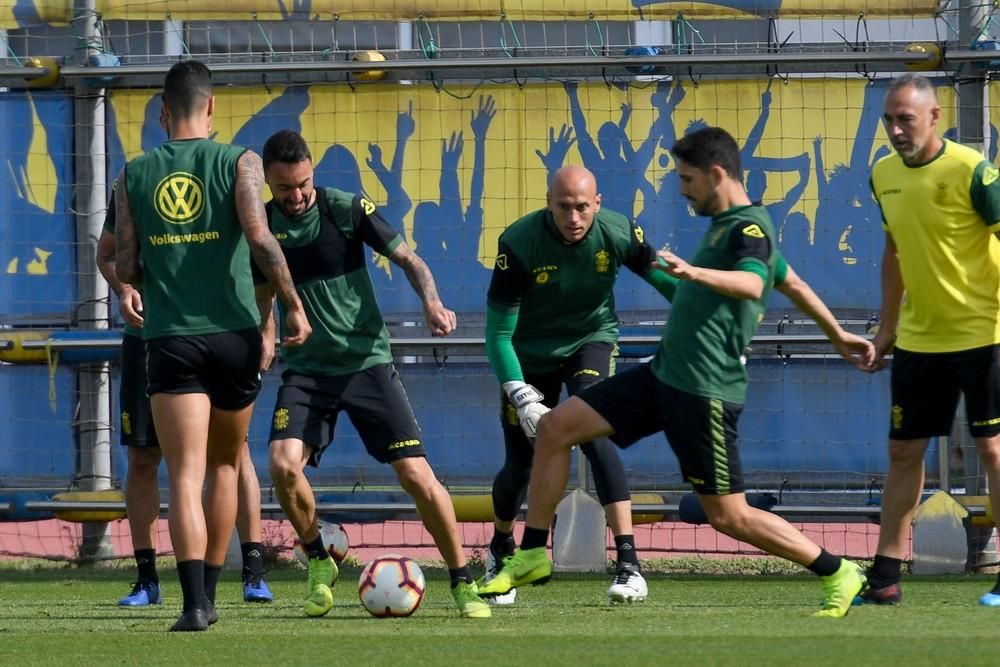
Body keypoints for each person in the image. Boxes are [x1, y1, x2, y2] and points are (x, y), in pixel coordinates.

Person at [479, 127, 876, 618]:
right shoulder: (725, 224)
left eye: (688, 179)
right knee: (557, 427)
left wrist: (692, 273)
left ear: (715, 175)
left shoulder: (747, 229)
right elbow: (788, 278)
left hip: (703, 387)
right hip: (663, 374)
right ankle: (533, 553)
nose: (682, 190)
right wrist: (837, 333)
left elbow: (754, 284)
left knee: (728, 516)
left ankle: (838, 569)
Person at [255, 129, 491, 620]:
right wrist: (267, 333)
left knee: (415, 475)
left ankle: (462, 580)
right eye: (284, 189)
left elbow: (409, 259)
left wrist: (431, 301)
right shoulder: (262, 228)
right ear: (267, 183)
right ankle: (320, 560)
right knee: (281, 463)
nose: (296, 196)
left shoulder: (344, 208)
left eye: (302, 184)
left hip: (366, 363)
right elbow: (263, 292)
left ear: (311, 170)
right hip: (307, 370)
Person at [114, 61, 310, 632]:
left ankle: (194, 604)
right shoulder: (241, 161)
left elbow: (126, 264)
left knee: (183, 473)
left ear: (162, 112)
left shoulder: (133, 174)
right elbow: (259, 235)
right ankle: (220, 591)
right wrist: (294, 305)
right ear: (214, 107)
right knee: (228, 464)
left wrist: (151, 274)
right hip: (236, 336)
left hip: (171, 338)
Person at [484, 164, 678, 605]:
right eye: (564, 207)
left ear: (598, 204)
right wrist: (519, 391)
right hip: (526, 354)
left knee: (597, 436)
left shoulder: (619, 232)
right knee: (520, 464)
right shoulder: (518, 244)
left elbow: (673, 288)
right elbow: (497, 335)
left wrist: (710, 326)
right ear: (548, 203)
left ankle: (629, 564)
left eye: (582, 207)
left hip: (590, 341)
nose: (574, 217)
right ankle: (501, 547)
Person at [98, 184, 275, 608]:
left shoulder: (223, 183)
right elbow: (107, 254)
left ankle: (252, 571)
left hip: (214, 336)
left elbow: (262, 263)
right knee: (144, 457)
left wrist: (269, 329)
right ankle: (147, 580)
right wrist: (124, 291)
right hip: (149, 338)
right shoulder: (136, 188)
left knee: (233, 456)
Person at [863, 73, 1000, 607]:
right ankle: (886, 576)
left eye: (906, 120)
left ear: (935, 117)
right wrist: (887, 328)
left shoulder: (973, 172)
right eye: (889, 120)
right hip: (921, 340)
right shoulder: (882, 175)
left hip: (983, 331)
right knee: (903, 451)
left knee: (991, 448)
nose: (896, 130)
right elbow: (894, 252)